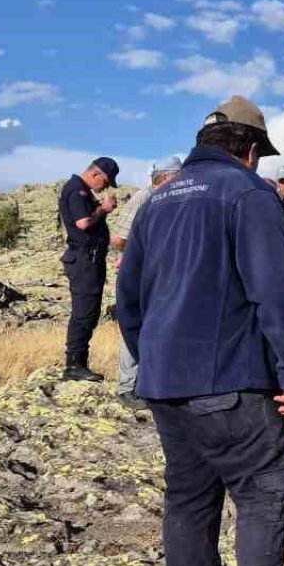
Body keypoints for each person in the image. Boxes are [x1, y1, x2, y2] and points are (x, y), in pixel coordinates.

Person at [117, 95, 284, 566]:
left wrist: (153, 358)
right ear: (250, 150)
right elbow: (274, 290)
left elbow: (127, 300)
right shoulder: (249, 193)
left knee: (189, 501)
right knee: (263, 493)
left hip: (164, 383)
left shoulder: (159, 200)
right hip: (230, 380)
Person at [109, 156, 181, 410]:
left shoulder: (174, 200)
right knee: (135, 325)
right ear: (165, 177)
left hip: (162, 274)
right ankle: (127, 388)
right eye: (177, 176)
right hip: (139, 274)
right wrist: (138, 255)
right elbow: (118, 239)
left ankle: (152, 384)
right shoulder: (144, 198)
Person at [58, 157, 119, 381]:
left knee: (89, 312)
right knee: (83, 313)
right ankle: (74, 365)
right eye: (106, 181)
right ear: (96, 174)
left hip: (89, 260)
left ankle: (78, 362)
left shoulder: (81, 190)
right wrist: (102, 210)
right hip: (84, 260)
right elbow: (83, 223)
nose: (105, 186)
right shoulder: (77, 190)